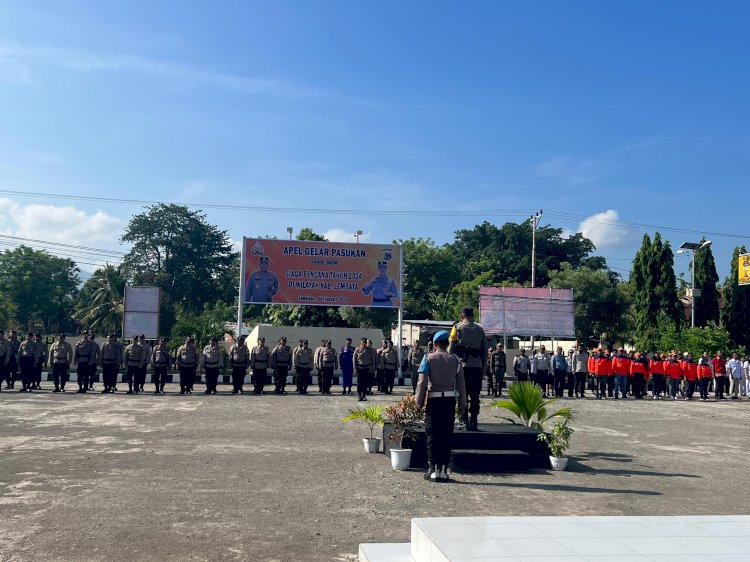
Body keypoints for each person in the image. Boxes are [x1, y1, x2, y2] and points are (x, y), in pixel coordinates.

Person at [415, 330, 467, 483]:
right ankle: (444, 470)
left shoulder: (428, 358)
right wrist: (462, 404)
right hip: (449, 401)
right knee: (446, 435)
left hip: (434, 401)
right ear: (447, 344)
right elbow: (461, 385)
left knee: (432, 435)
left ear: (436, 344)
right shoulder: (456, 360)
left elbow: (422, 382)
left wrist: (418, 402)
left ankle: (432, 470)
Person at [448, 307, 488, 432]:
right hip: (476, 366)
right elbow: (485, 351)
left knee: (462, 394)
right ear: (473, 316)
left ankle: (464, 421)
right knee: (475, 395)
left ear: (461, 316)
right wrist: (484, 367)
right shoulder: (480, 329)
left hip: (462, 367)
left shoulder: (456, 328)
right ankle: (474, 422)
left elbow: (450, 349)